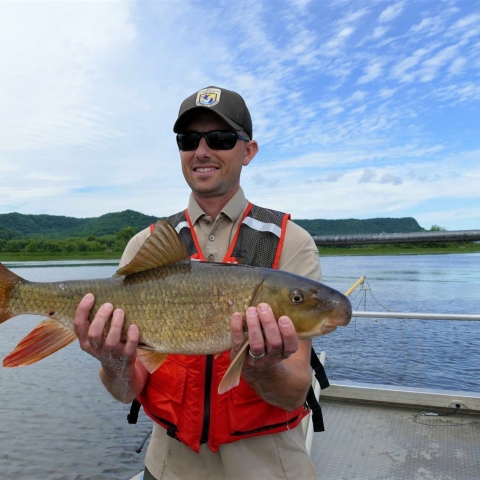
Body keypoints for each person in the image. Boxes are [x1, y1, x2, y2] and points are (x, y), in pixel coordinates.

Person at [74, 86, 338, 480]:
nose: (201, 150)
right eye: (188, 140)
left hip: (268, 466)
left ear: (248, 151)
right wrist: (114, 363)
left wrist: (262, 367)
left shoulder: (290, 243)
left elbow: (293, 392)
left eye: (220, 139)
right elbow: (126, 390)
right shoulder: (144, 244)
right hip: (168, 465)